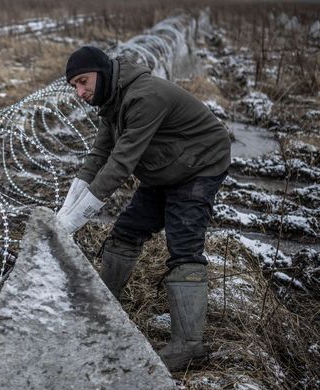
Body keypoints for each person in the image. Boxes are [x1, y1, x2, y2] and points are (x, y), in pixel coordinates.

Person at [56, 46, 231, 371]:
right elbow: (98, 158)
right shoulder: (110, 101)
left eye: (83, 81)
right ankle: (104, 306)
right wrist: (62, 218)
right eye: (74, 87)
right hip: (164, 168)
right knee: (125, 233)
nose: (80, 92)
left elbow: (120, 165)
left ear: (102, 72)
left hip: (199, 163)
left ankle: (188, 346)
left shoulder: (144, 96)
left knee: (183, 246)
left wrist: (71, 224)